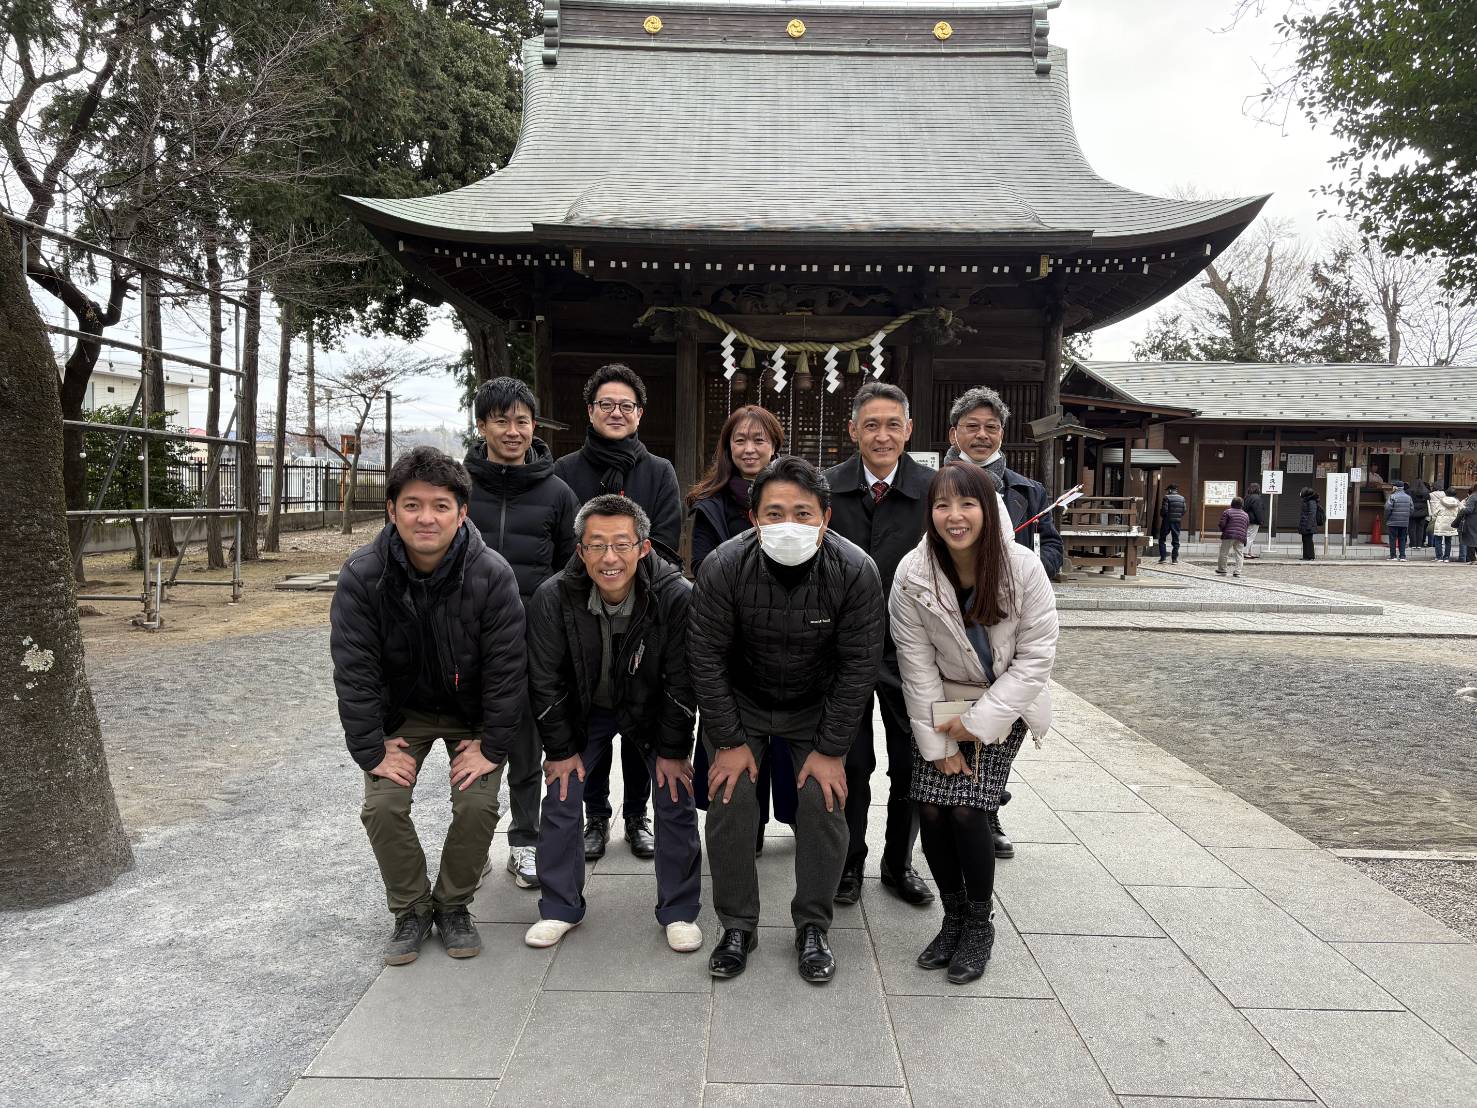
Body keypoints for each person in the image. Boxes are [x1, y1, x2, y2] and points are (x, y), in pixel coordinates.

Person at [689, 456, 884, 984]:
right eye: (774, 513)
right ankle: (737, 925)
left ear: (826, 517)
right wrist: (728, 741)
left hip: (816, 705)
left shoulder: (856, 570)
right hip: (743, 701)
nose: (788, 524)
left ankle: (813, 925)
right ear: (753, 519)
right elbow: (706, 658)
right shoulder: (723, 566)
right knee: (731, 799)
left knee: (825, 802)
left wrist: (829, 750)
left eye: (803, 513)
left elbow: (858, 667)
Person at [330, 447, 525, 966]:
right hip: (403, 713)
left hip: (472, 713)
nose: (426, 518)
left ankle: (454, 904)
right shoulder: (362, 575)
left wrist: (492, 742)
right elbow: (354, 670)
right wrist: (371, 749)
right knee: (383, 805)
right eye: (412, 505)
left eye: (440, 505)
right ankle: (411, 909)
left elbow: (508, 669)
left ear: (462, 512)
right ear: (391, 510)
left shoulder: (492, 574)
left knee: (478, 803)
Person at [889, 462, 1058, 984]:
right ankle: (954, 916)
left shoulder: (1023, 568)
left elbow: (1035, 659)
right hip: (939, 705)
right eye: (942, 505)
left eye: (968, 504)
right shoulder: (912, 574)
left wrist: (979, 724)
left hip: (1005, 703)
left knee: (966, 810)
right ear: (930, 512)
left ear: (989, 507)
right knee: (932, 808)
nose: (954, 516)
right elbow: (915, 667)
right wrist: (943, 739)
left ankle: (980, 922)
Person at [522, 495, 703, 953]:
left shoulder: (675, 596)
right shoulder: (553, 597)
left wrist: (674, 749)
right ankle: (560, 906)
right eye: (596, 545)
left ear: (644, 547)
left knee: (674, 788)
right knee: (563, 791)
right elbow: (545, 681)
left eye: (622, 544)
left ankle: (679, 909)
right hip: (588, 711)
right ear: (580, 550)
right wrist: (560, 751)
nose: (609, 558)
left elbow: (683, 682)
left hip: (651, 708)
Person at [556, 364, 683, 864]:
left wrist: (628, 574)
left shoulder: (659, 472)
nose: (616, 412)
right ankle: (595, 816)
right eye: (606, 404)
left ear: (639, 414)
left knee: (639, 715)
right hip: (583, 611)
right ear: (590, 411)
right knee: (591, 712)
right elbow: (559, 545)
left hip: (645, 609)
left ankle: (636, 814)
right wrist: (594, 578)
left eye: (625, 405)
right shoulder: (566, 470)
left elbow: (668, 544)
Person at [464, 376, 580, 891]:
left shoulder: (558, 492)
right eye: (501, 420)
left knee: (529, 746)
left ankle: (525, 842)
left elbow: (569, 570)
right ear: (482, 424)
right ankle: (470, 842)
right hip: (469, 637)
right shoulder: (459, 487)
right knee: (468, 740)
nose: (513, 431)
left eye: (522, 420)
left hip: (533, 638)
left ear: (534, 425)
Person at [824, 382, 935, 906]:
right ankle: (848, 863)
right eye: (871, 425)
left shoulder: (936, 490)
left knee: (911, 760)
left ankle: (898, 863)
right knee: (849, 761)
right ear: (853, 431)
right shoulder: (827, 488)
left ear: (909, 430)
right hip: (841, 650)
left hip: (910, 649)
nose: (883, 435)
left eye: (894, 425)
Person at [687, 405, 796, 851]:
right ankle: (741, 827)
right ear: (727, 448)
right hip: (732, 642)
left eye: (759, 440)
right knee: (734, 737)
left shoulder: (795, 498)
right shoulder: (709, 504)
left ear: (774, 447)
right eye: (740, 441)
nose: (749, 449)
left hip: (790, 640)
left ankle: (792, 816)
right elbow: (701, 568)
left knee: (787, 743)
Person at [944, 387, 1063, 580]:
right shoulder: (930, 487)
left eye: (991, 427)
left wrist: (1023, 571)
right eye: (972, 426)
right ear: (953, 434)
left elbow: (1052, 547)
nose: (982, 435)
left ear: (1001, 434)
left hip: (1013, 596)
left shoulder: (1030, 491)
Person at [1216, 496, 1250, 578]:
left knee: (1224, 552)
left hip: (1228, 535)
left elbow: (1222, 524)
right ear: (1242, 505)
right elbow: (1246, 526)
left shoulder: (1227, 512)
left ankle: (1222, 569)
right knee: (1239, 554)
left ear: (1232, 503)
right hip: (1241, 536)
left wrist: (1224, 530)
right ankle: (1237, 571)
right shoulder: (1245, 514)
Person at [1157, 484, 1187, 564]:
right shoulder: (1182, 498)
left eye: (1167, 490)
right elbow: (1184, 510)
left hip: (1167, 521)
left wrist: (1162, 515)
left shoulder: (1166, 497)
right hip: (1177, 521)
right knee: (1176, 540)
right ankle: (1174, 559)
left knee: (1162, 539)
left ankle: (1163, 558)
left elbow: (1164, 510)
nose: (1167, 491)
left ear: (1170, 490)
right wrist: (1178, 516)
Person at [1384, 480, 1413, 560]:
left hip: (1393, 521)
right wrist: (1406, 517)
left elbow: (1387, 508)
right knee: (1403, 539)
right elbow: (1412, 509)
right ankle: (1402, 556)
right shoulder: (1408, 497)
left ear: (1395, 487)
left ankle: (1393, 556)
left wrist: (1387, 518)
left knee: (1393, 539)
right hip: (1404, 522)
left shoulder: (1392, 496)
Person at [1430, 490, 1459, 562]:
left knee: (1438, 540)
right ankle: (1446, 558)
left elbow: (1435, 513)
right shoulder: (1457, 502)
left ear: (1446, 494)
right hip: (1451, 524)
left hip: (1440, 523)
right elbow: (1461, 511)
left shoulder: (1440, 502)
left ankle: (1439, 557)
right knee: (1448, 541)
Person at [1298, 486, 1324, 561]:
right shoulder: (1306, 501)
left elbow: (1312, 514)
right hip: (1305, 524)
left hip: (1309, 525)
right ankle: (1306, 556)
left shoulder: (1311, 501)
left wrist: (1308, 525)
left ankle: (1310, 556)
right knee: (1305, 540)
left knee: (1308, 540)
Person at [1243, 483, 1265, 559]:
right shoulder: (1257, 498)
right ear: (1257, 489)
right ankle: (1245, 552)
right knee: (1250, 537)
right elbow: (1258, 510)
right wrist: (1260, 520)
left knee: (1248, 535)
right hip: (1254, 520)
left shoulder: (1247, 497)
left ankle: (1249, 552)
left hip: (1247, 519)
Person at [1408, 478, 1431, 549]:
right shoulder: (1426, 492)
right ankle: (1419, 544)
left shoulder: (1409, 491)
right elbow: (1429, 499)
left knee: (1412, 528)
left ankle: (1413, 544)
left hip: (1412, 512)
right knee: (1420, 529)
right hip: (1422, 513)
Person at [1455, 490, 1477, 564]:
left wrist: (1462, 510)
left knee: (1470, 540)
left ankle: (1473, 559)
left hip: (1472, 520)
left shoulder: (1473, 497)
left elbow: (1469, 510)